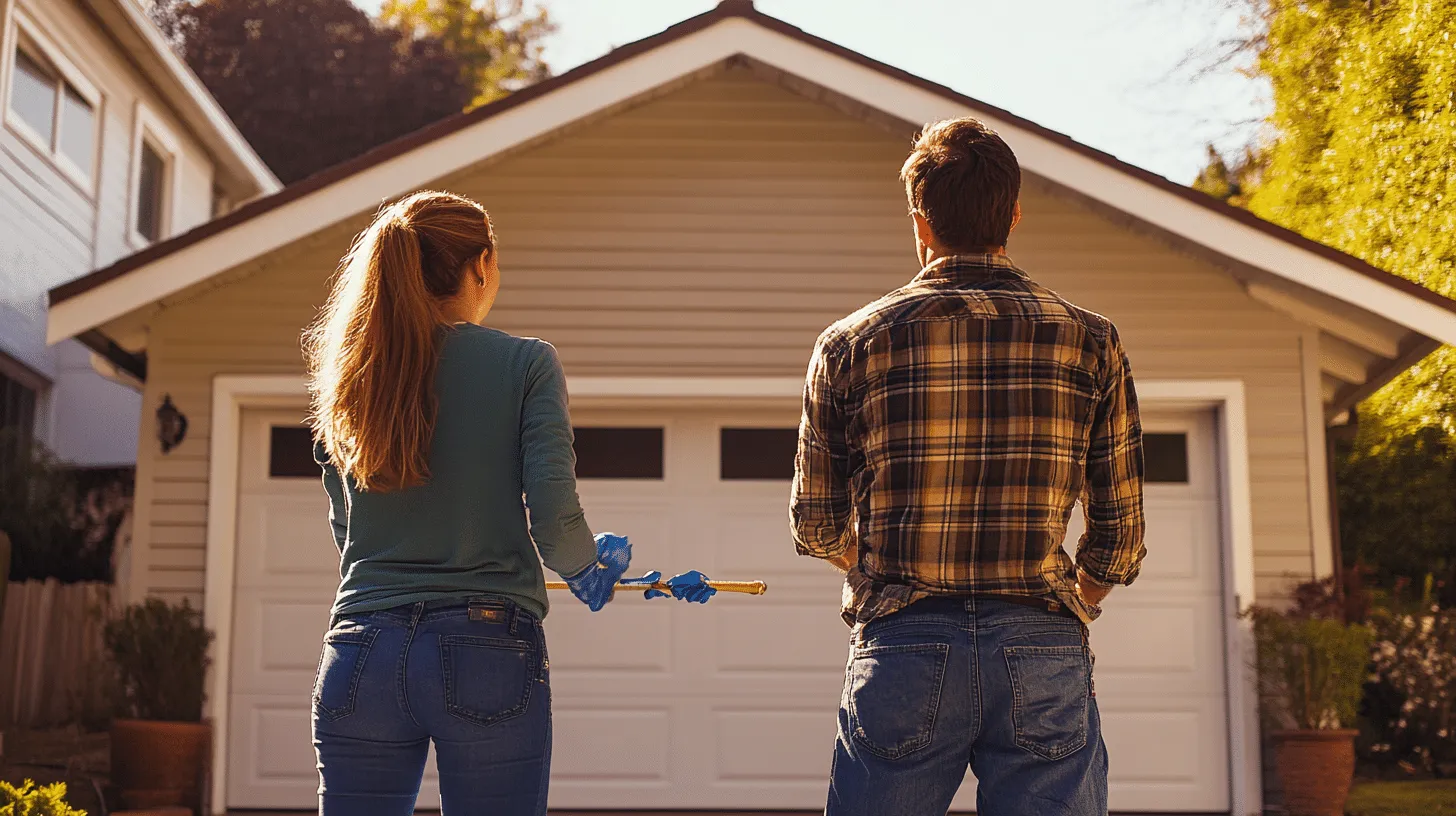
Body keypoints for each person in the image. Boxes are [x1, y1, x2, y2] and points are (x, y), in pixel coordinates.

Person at [304, 190, 713, 816]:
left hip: (361, 649)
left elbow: (348, 530)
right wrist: (586, 568)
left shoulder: (352, 376)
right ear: (481, 264)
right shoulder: (526, 364)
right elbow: (553, 513)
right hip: (486, 647)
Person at [791, 119, 1146, 816]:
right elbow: (1120, 537)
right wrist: (1073, 600)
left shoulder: (848, 345)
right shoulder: (1091, 341)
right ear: (1013, 213)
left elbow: (815, 523)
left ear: (921, 222)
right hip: (1042, 642)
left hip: (903, 642)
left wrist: (868, 570)